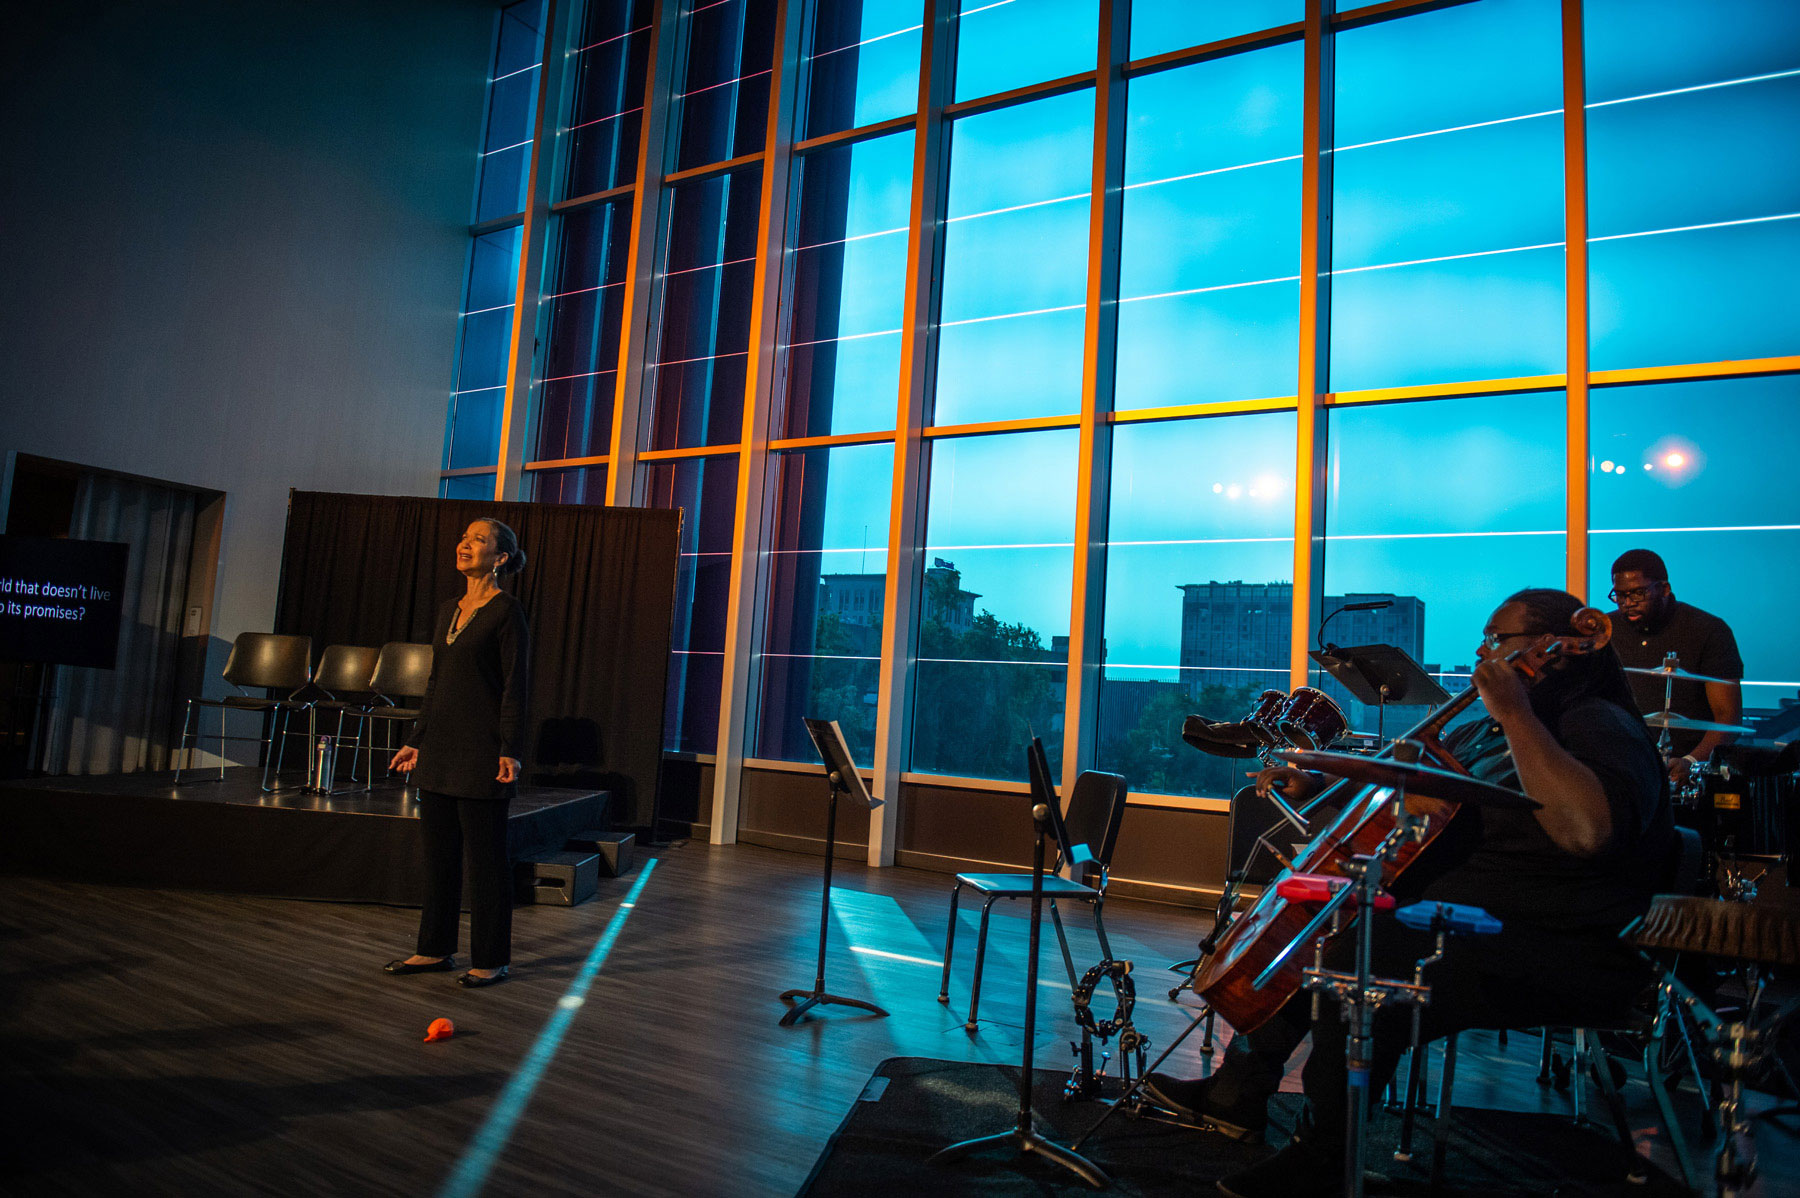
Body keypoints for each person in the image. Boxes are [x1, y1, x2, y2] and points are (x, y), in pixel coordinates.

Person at [1146, 588, 1672, 1197]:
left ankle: (1324, 1159)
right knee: (1331, 927)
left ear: (1551, 647)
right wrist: (1321, 779)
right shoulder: (1513, 731)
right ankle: (1236, 1094)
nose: (1483, 653)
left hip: (1562, 946)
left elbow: (1586, 830)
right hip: (1484, 924)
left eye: (1497, 639)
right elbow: (1430, 787)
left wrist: (1516, 716)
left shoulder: (1597, 723)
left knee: (1359, 956)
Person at [384, 518, 531, 988]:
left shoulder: (507, 611)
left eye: (478, 540)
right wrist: (416, 739)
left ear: (500, 557)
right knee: (439, 858)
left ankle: (491, 957)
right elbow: (436, 683)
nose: (464, 545)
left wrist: (510, 747)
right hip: (441, 751)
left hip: (481, 751)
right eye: (464, 537)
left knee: (485, 863)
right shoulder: (449, 608)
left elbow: (515, 686)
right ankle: (434, 949)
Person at [1607, 548, 1744, 784]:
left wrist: (1691, 762)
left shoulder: (1708, 630)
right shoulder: (1607, 631)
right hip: (1621, 766)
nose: (1627, 603)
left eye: (1637, 593)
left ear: (1664, 589)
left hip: (1685, 769)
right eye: (1620, 595)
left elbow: (1727, 716)